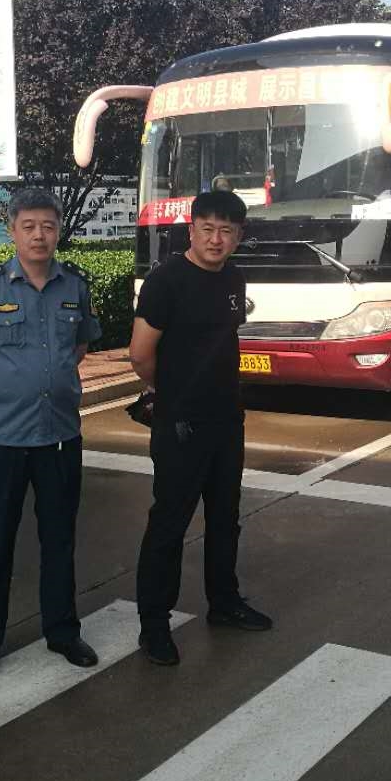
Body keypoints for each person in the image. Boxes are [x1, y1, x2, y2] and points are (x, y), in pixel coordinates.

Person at [0, 189, 102, 692]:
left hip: (59, 435)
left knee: (59, 540)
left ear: (58, 231)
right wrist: (1, 396)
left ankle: (63, 633)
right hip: (3, 439)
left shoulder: (74, 285)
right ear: (12, 231)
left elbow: (79, 345)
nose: (40, 235)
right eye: (29, 226)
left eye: (48, 226)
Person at [128, 189, 273, 666]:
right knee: (169, 524)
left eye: (226, 231)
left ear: (238, 236)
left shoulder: (233, 277)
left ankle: (224, 602)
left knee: (225, 519)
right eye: (207, 229)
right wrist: (172, 393)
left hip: (227, 420)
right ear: (191, 230)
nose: (216, 239)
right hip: (181, 425)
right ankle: (154, 625)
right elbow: (140, 354)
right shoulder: (166, 281)